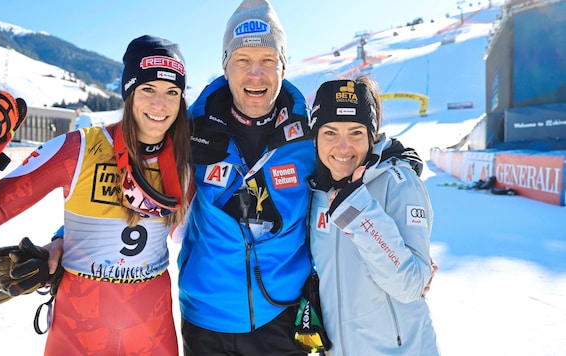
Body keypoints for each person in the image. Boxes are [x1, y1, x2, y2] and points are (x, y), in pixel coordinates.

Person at [0, 34, 192, 356]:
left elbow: (185, 235)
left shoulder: (186, 163)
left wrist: (63, 241)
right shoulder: (76, 149)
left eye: (172, 92)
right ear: (128, 93)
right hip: (79, 327)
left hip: (152, 327)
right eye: (148, 89)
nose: (160, 104)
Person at [173, 0, 316, 354]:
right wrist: (63, 239)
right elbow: (128, 183)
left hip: (282, 315)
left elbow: (358, 161)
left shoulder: (311, 136)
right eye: (242, 61)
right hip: (206, 319)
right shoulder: (189, 130)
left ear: (284, 65)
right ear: (225, 66)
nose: (256, 74)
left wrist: (396, 159)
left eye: (268, 60)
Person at [307, 76, 440, 355]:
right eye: (330, 132)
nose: (343, 148)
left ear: (372, 135)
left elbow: (410, 285)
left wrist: (357, 211)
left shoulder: (398, 182)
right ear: (315, 136)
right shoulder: (315, 191)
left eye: (356, 133)